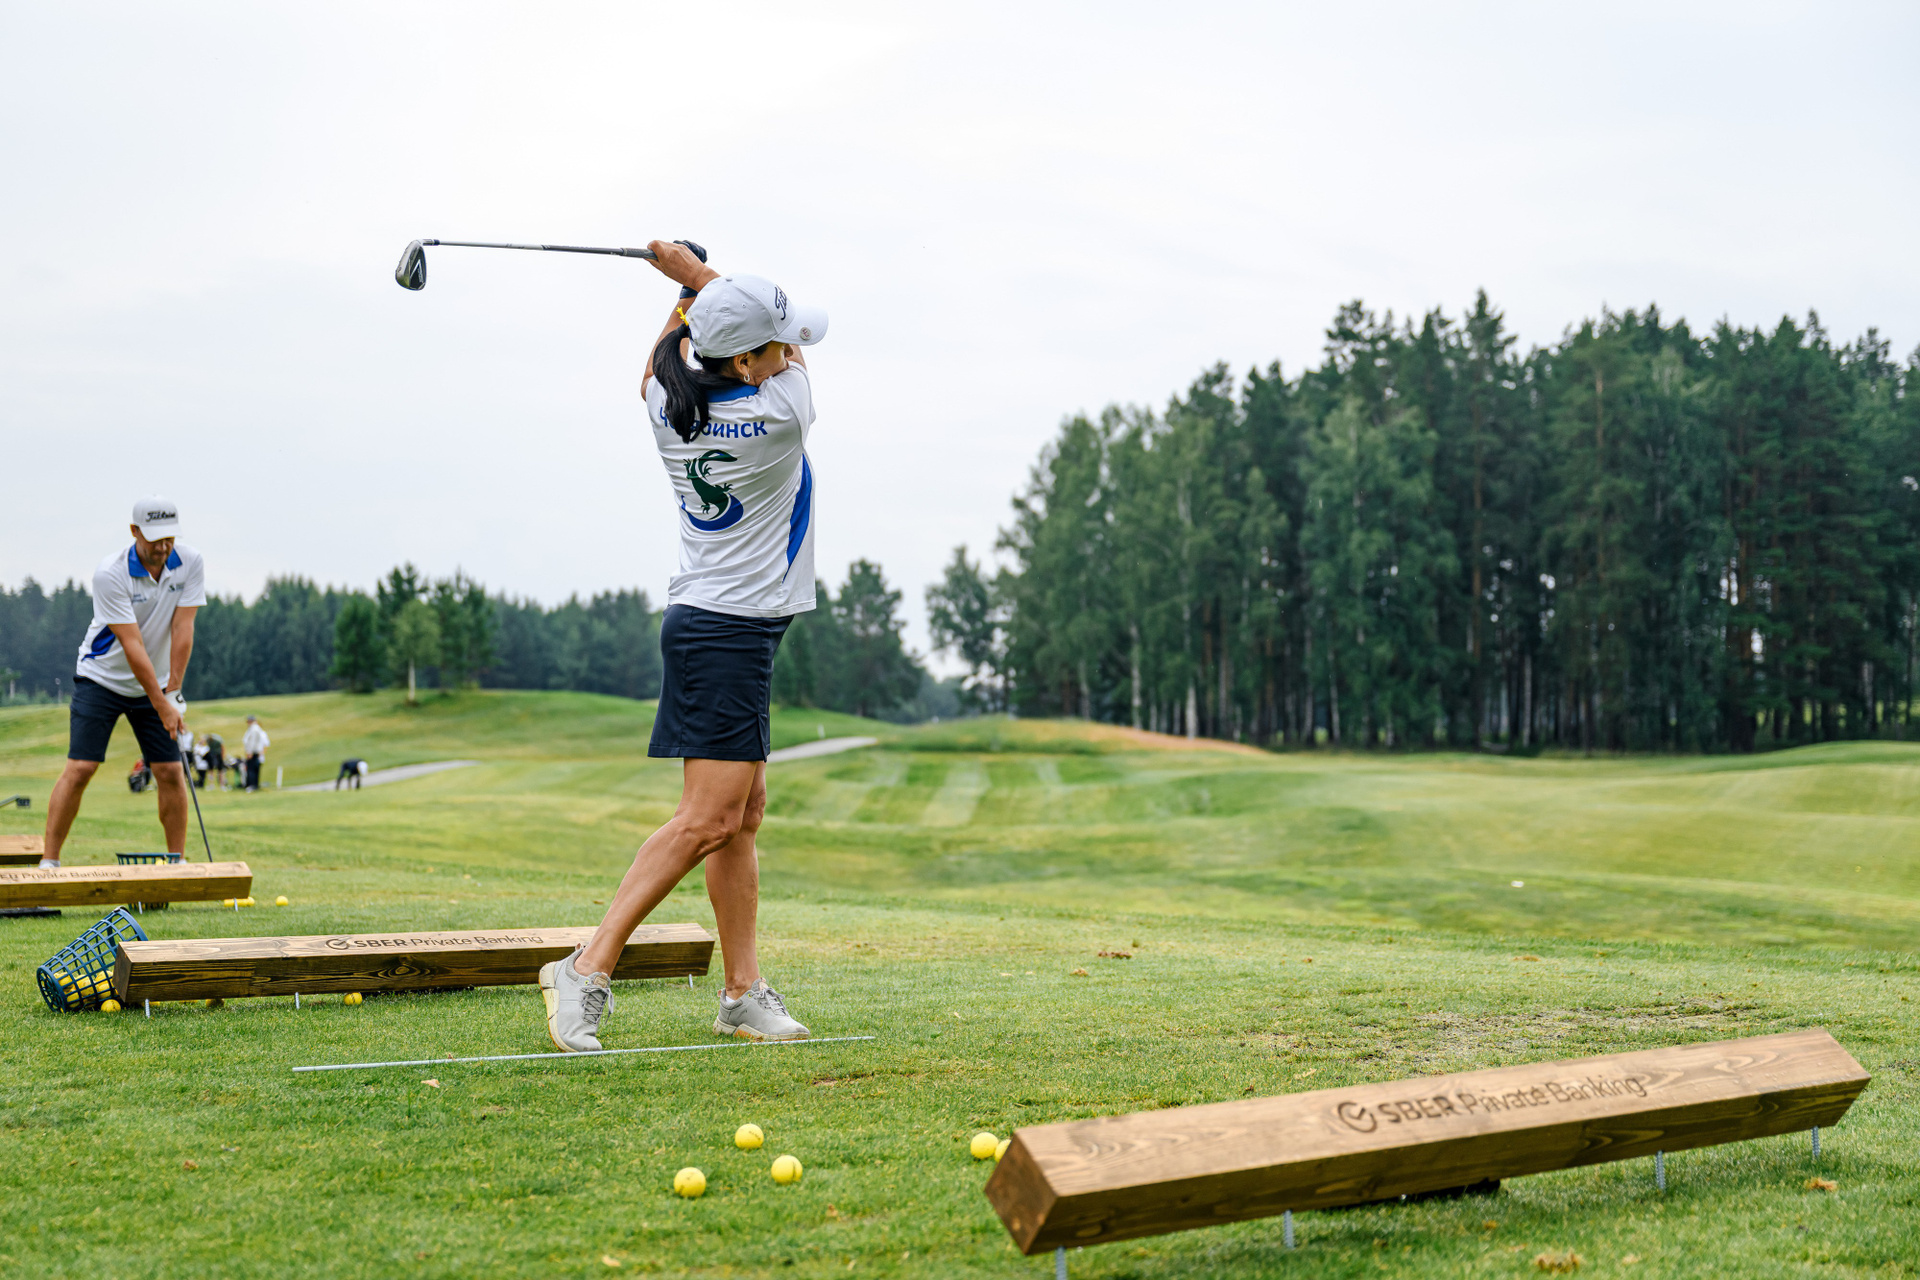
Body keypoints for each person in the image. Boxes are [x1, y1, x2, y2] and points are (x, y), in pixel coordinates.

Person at [539, 240, 825, 1053]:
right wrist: (695, 274)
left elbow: (661, 360)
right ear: (747, 364)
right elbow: (757, 347)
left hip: (724, 625)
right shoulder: (783, 412)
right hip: (726, 631)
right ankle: (586, 967)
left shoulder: (669, 403)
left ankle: (741, 992)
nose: (789, 351)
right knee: (707, 820)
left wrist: (685, 294)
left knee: (742, 817)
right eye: (775, 345)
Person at [40, 497, 205, 868]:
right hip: (101, 678)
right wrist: (162, 703)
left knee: (170, 771)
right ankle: (49, 863)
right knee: (81, 767)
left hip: (156, 685)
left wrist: (174, 692)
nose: (163, 547)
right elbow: (133, 646)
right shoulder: (110, 573)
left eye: (170, 538)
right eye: (155, 539)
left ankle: (176, 865)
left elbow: (183, 628)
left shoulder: (190, 562)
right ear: (134, 531)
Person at [241, 715, 269, 791]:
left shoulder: (254, 729)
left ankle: (252, 785)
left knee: (251, 769)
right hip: (255, 752)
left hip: (253, 752)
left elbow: (252, 742)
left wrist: (249, 752)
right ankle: (254, 785)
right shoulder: (255, 729)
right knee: (254, 769)